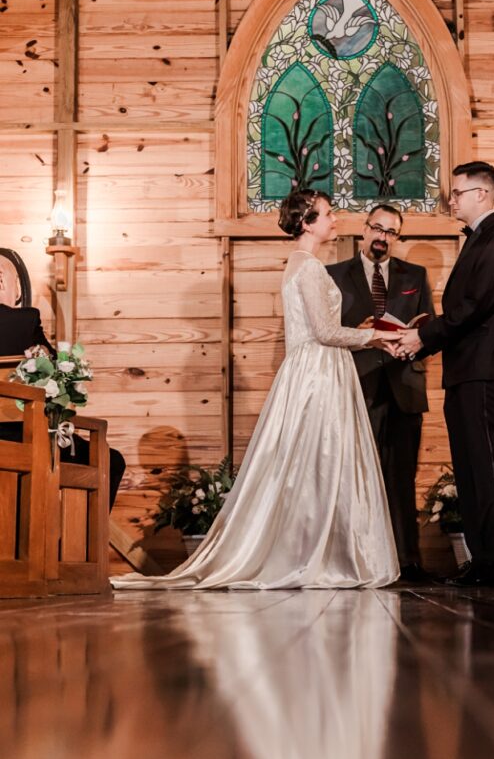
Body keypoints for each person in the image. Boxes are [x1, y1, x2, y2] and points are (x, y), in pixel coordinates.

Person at [111, 189, 402, 590]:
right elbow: (325, 332)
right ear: (307, 223)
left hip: (315, 370)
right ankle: (313, 556)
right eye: (328, 214)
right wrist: (374, 336)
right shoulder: (309, 268)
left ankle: (311, 552)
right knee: (317, 463)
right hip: (318, 372)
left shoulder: (300, 264)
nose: (336, 220)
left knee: (312, 465)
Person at [397, 162, 494, 588]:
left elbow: (475, 308)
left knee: (484, 464)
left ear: (482, 194)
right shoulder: (480, 240)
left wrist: (424, 338)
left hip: (482, 370)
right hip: (465, 370)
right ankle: (482, 557)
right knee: (469, 467)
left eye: (458, 192)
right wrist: (430, 325)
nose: (452, 199)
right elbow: (467, 308)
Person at [327, 204, 434, 581]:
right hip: (359, 385)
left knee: (402, 478)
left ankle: (407, 562)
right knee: (356, 477)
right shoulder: (334, 276)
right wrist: (360, 334)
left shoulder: (415, 275)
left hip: (404, 385)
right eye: (377, 228)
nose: (382, 237)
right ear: (364, 228)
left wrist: (414, 340)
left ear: (397, 237)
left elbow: (430, 330)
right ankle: (358, 561)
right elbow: (326, 333)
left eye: (390, 232)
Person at [0, 253, 126, 512]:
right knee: (110, 460)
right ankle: (68, 547)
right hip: (23, 437)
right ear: (10, 290)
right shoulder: (24, 320)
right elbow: (59, 378)